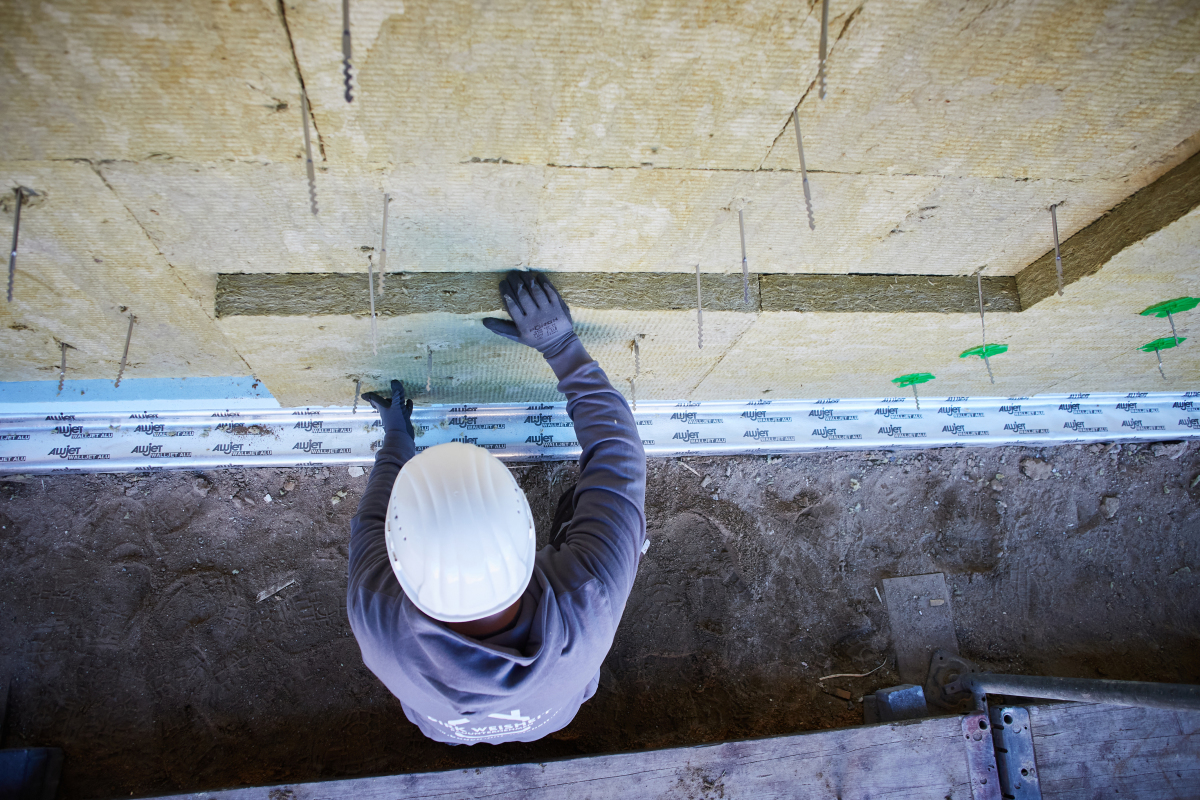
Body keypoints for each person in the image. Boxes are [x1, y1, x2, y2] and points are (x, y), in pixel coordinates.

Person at [347, 270, 647, 744]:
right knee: (590, 512)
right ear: (528, 535)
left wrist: (396, 438)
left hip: (444, 727)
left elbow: (373, 516)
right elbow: (618, 456)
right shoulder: (587, 601)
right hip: (551, 712)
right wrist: (561, 348)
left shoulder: (378, 609)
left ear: (397, 562)